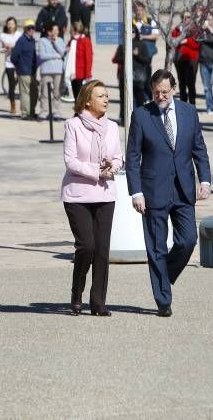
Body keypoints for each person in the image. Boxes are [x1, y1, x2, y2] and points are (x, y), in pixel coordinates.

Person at [126, 70, 211, 316]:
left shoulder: (188, 112)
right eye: (156, 93)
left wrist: (204, 179)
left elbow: (199, 148)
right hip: (153, 191)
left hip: (183, 189)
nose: (160, 96)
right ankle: (163, 300)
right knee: (156, 247)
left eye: (164, 92)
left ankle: (165, 275)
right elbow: (133, 158)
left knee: (188, 240)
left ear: (173, 89)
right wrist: (136, 193)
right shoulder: (142, 116)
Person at [62, 80, 122, 316]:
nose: (106, 99)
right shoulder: (73, 125)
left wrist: (112, 166)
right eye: (100, 96)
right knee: (87, 246)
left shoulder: (113, 127)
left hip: (105, 193)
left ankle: (98, 303)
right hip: (77, 194)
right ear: (87, 100)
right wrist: (95, 171)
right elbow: (70, 161)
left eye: (107, 95)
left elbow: (118, 157)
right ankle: (77, 293)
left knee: (102, 249)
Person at [112, 26, 151, 123]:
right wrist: (127, 54)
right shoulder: (122, 45)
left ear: (136, 33)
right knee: (124, 98)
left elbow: (147, 60)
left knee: (139, 99)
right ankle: (124, 118)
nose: (131, 33)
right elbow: (116, 59)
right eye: (129, 32)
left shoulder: (141, 44)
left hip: (138, 77)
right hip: (124, 76)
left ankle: (141, 119)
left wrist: (137, 54)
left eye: (133, 31)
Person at [170, 10, 201, 108]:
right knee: (181, 81)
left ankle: (192, 104)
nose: (185, 19)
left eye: (188, 17)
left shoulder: (195, 29)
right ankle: (183, 104)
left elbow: (197, 44)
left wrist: (186, 40)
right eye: (184, 17)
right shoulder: (177, 29)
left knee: (191, 82)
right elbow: (173, 40)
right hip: (179, 59)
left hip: (192, 59)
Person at [37, 22, 66, 120]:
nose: (57, 32)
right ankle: (43, 111)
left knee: (57, 92)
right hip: (46, 70)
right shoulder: (42, 41)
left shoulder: (60, 40)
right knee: (44, 91)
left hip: (58, 70)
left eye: (57, 30)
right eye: (55, 30)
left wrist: (55, 42)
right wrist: (56, 56)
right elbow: (42, 55)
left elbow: (62, 53)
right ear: (49, 32)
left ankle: (56, 111)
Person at [10, 19, 38, 119]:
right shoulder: (21, 41)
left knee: (34, 92)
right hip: (24, 71)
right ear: (25, 29)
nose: (31, 30)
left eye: (33, 28)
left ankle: (32, 111)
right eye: (29, 28)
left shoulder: (33, 40)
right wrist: (19, 66)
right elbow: (13, 56)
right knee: (25, 93)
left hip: (32, 71)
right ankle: (25, 113)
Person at [133, 1, 160, 99]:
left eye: (141, 10)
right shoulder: (132, 22)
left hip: (147, 52)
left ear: (144, 10)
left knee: (146, 73)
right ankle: (139, 97)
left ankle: (148, 97)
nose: (139, 12)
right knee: (137, 74)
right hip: (135, 52)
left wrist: (143, 36)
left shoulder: (150, 21)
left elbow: (156, 35)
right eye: (137, 10)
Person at [196, 11, 213, 114]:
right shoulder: (201, 32)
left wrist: (210, 30)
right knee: (206, 87)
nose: (207, 22)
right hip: (203, 63)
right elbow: (196, 39)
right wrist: (201, 28)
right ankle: (209, 107)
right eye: (206, 20)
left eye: (209, 19)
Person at [0, 16, 22, 115]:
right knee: (11, 85)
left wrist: (13, 46)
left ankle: (24, 105)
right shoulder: (2, 35)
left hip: (19, 62)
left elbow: (21, 47)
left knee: (21, 82)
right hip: (9, 62)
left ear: (15, 25)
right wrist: (5, 49)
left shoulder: (19, 35)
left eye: (12, 24)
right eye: (9, 24)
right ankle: (12, 105)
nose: (10, 26)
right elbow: (0, 49)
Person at [69, 21, 93, 99]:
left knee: (81, 98)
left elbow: (88, 58)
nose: (70, 31)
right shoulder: (72, 41)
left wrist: (88, 75)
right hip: (73, 74)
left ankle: (81, 111)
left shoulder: (85, 40)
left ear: (75, 30)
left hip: (82, 74)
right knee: (76, 97)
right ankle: (78, 111)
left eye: (71, 30)